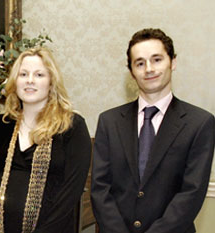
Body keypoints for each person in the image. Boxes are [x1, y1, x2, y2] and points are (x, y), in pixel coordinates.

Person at [91, 28, 215, 233]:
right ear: (131, 71)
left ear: (172, 62)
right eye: (140, 63)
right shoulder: (109, 121)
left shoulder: (200, 123)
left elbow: (191, 193)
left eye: (157, 59)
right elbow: (100, 189)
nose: (149, 69)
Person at [0, 47, 91, 233]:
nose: (30, 80)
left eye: (39, 74)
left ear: (51, 82)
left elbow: (70, 194)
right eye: (23, 74)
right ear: (15, 81)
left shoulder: (71, 127)